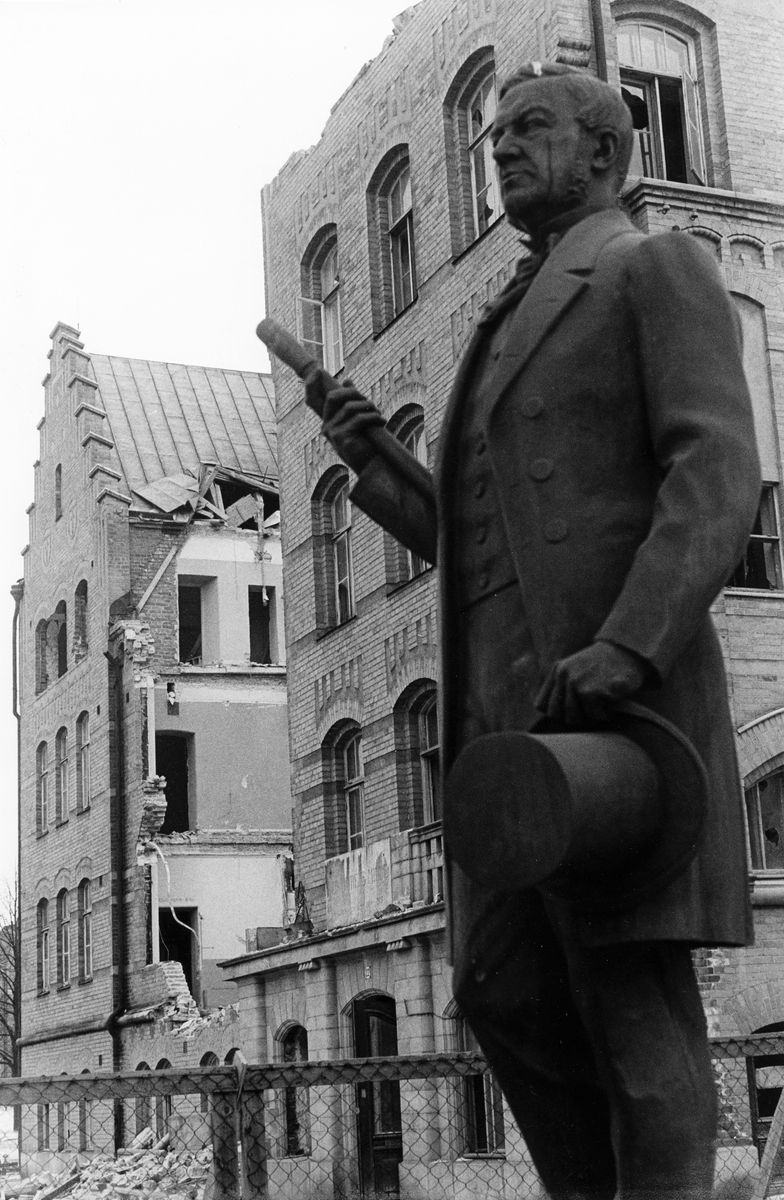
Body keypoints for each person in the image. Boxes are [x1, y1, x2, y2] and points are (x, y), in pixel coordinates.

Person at [309, 61, 761, 1199]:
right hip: (499, 719)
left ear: (603, 152)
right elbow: (478, 540)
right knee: (501, 990)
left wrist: (631, 643)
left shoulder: (652, 265)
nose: (501, 148)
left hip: (612, 699)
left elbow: (714, 470)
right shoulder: (505, 312)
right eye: (495, 134)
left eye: (528, 129)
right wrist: (371, 459)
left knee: (627, 995)